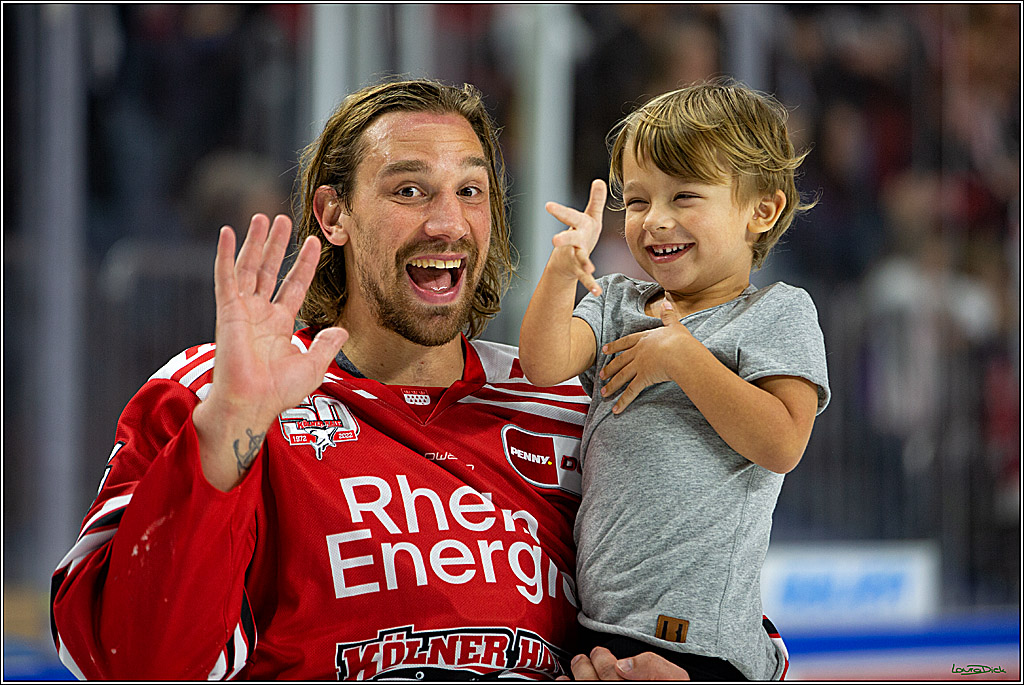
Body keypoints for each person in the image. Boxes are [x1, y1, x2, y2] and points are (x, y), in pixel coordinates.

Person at [49, 78, 688, 681]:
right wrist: (226, 435)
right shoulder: (215, 393)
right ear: (334, 215)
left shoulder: (570, 409)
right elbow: (131, 661)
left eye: (471, 191)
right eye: (408, 191)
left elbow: (689, 617)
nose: (448, 223)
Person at [519, 78, 831, 680]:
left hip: (702, 645)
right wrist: (560, 269)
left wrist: (681, 356)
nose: (655, 221)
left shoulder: (777, 312)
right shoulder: (616, 301)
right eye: (637, 202)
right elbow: (544, 363)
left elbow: (782, 443)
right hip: (596, 627)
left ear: (761, 210)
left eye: (684, 196)